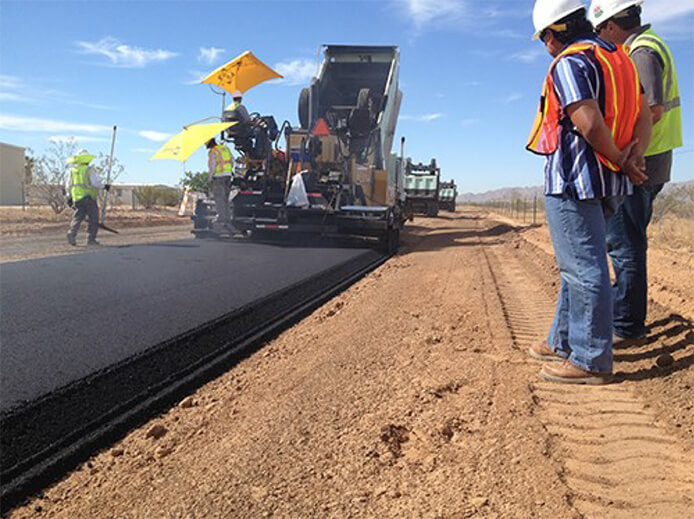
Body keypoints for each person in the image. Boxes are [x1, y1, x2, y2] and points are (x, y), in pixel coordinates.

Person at [526, 0, 652, 384]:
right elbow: (645, 113)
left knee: (584, 269)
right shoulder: (618, 56)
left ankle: (589, 359)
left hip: (574, 182)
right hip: (611, 183)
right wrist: (633, 156)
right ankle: (561, 339)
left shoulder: (569, 62)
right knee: (577, 265)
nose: (545, 46)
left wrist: (618, 157)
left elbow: (589, 123)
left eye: (543, 39)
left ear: (551, 34)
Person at [589, 0, 683, 342]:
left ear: (612, 25)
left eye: (600, 30)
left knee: (624, 245)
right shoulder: (650, 44)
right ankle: (626, 317)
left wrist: (623, 153)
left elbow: (651, 110)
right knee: (629, 241)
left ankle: (626, 326)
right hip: (651, 159)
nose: (601, 38)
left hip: (642, 161)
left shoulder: (641, 52)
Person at [65, 149, 110, 246]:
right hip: (88, 198)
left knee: (78, 217)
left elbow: (68, 185)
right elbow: (95, 183)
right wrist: (104, 186)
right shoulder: (89, 170)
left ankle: (72, 233)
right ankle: (91, 239)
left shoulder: (72, 171)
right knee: (93, 218)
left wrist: (69, 197)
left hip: (77, 199)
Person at [206, 138, 233, 230]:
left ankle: (222, 220)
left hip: (219, 177)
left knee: (219, 199)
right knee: (226, 198)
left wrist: (209, 178)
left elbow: (212, 166)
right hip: (228, 176)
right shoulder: (225, 148)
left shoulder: (213, 151)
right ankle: (228, 219)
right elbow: (232, 160)